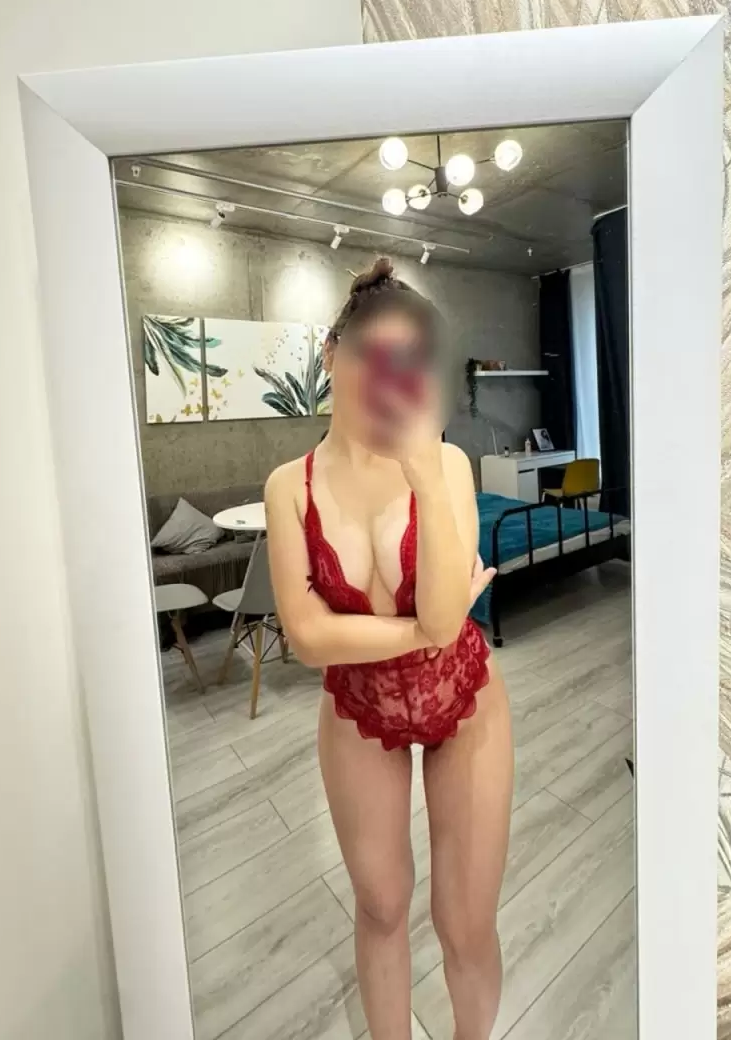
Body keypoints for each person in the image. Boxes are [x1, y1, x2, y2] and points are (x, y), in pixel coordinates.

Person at [266, 258, 514, 1040]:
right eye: (370, 354)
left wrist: (425, 476)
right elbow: (308, 638)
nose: (385, 376)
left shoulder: (447, 464)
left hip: (462, 694)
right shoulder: (289, 486)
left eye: (406, 359)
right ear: (331, 353)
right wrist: (418, 633)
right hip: (358, 704)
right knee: (379, 906)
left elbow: (445, 619)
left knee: (464, 921)